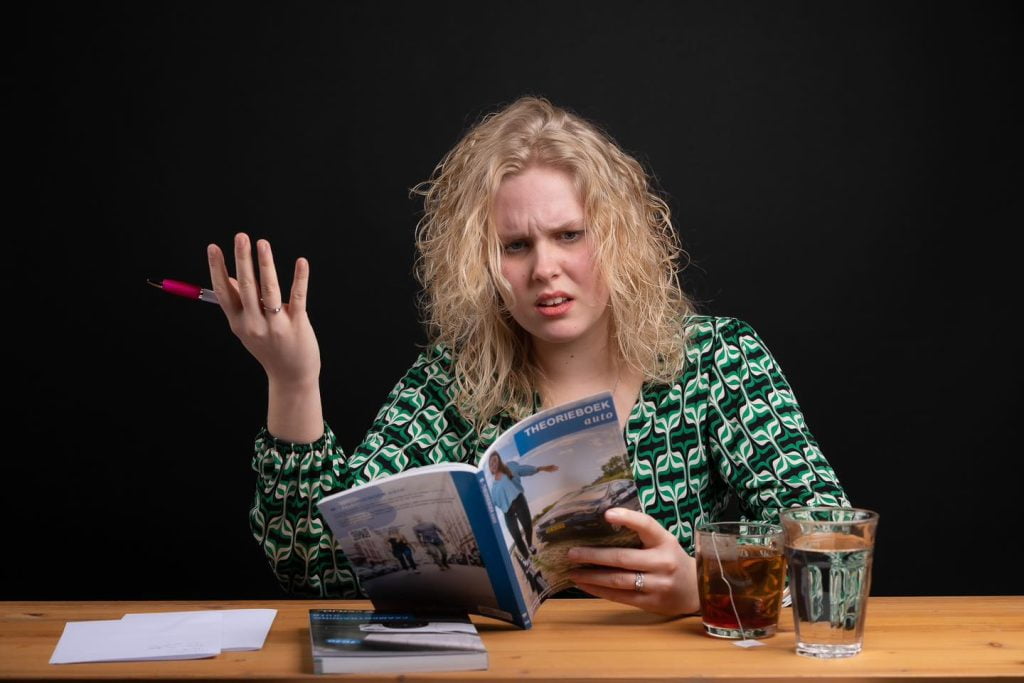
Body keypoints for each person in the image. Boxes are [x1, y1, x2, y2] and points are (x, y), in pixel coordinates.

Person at [206, 96, 848, 617]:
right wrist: (293, 380)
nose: (545, 268)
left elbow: (831, 546)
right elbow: (318, 570)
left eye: (569, 235)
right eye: (515, 245)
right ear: (482, 264)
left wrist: (705, 585)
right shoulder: (448, 384)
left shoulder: (716, 359)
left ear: (619, 238)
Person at [488, 453, 558, 561]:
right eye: (491, 463)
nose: (493, 463)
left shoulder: (510, 467)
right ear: (490, 468)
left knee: (527, 526)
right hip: (507, 512)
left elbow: (524, 469)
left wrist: (541, 468)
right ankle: (527, 558)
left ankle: (530, 545)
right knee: (516, 536)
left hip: (519, 501)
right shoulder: (493, 489)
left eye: (495, 460)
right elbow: (494, 504)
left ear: (499, 461)